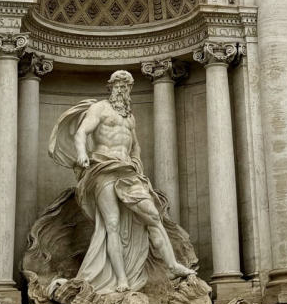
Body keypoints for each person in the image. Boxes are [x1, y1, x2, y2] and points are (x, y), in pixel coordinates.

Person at [48, 70, 194, 292]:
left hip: (127, 172)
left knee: (153, 215)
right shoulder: (99, 108)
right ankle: (121, 279)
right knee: (112, 224)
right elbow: (81, 133)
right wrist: (82, 153)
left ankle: (172, 265)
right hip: (103, 169)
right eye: (118, 85)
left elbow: (135, 146)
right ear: (111, 87)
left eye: (126, 86)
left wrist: (136, 164)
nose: (122, 89)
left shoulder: (130, 117)